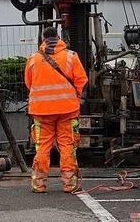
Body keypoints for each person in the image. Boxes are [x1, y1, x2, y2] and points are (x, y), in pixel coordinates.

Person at [24, 26, 88, 193]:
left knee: (42, 146)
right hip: (67, 109)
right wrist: (75, 96)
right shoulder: (71, 56)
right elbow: (81, 80)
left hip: (41, 110)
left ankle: (39, 184)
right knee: (67, 145)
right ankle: (70, 184)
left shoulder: (33, 58)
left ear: (43, 39)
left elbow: (28, 83)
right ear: (58, 38)